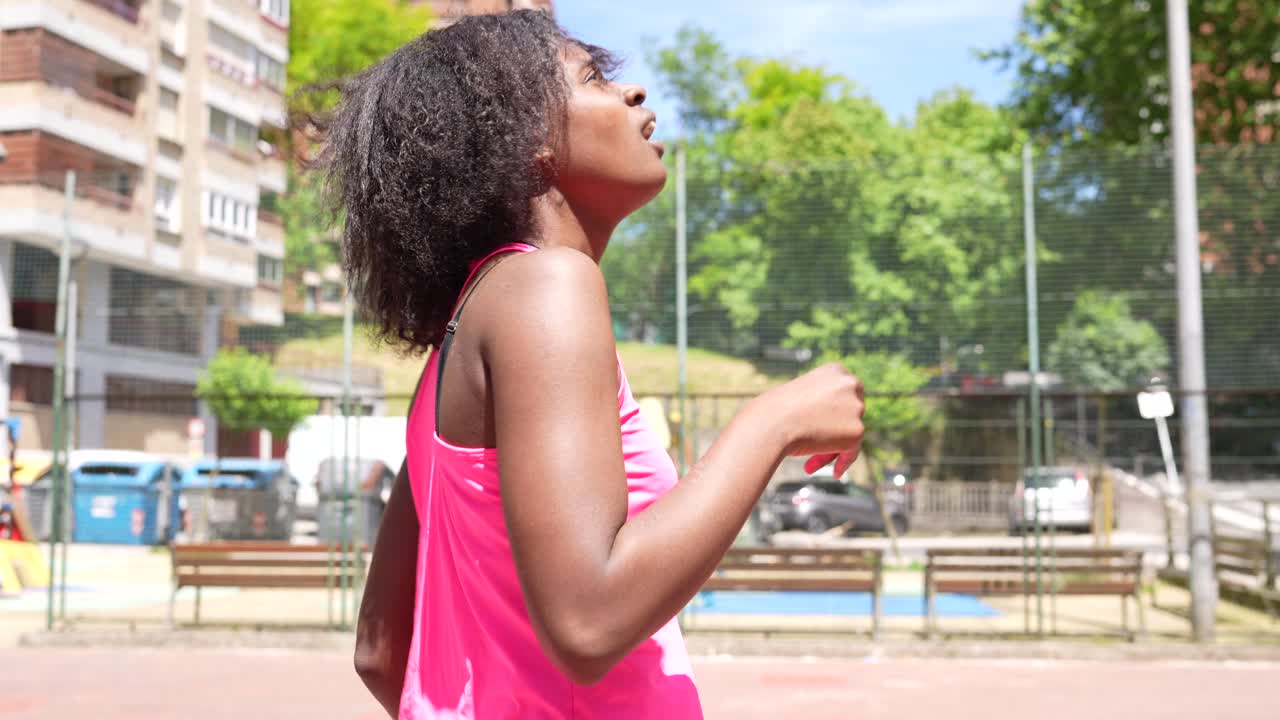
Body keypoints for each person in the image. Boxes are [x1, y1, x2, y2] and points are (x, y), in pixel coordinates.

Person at [330, 10, 866, 719]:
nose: (633, 92)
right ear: (525, 144)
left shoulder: (462, 338)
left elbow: (383, 652)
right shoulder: (548, 286)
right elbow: (588, 620)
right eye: (594, 77)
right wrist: (773, 422)